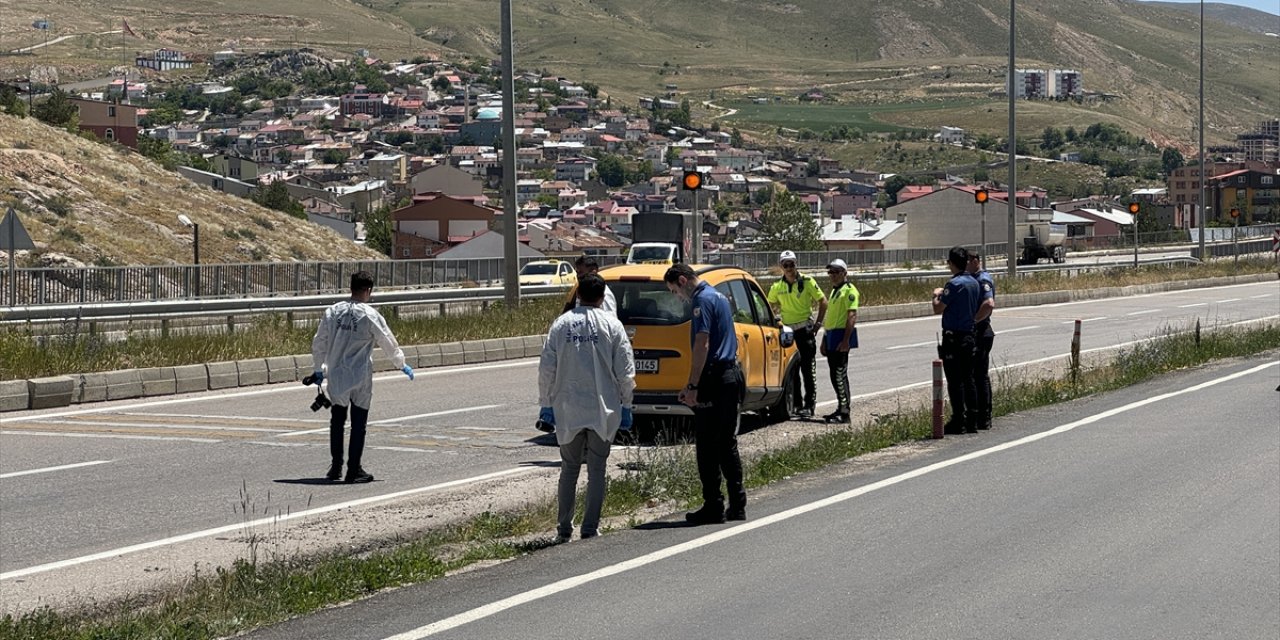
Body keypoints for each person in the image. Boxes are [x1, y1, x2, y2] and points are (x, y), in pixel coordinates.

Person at [538, 274, 636, 541]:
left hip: (568, 408)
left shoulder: (561, 325)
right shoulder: (612, 326)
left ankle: (563, 529)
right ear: (603, 297)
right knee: (597, 470)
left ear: (578, 294)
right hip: (603, 409)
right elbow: (625, 372)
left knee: (569, 468)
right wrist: (627, 405)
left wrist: (546, 403)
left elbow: (547, 367)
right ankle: (590, 527)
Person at [311, 271, 415, 483]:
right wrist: (401, 364)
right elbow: (387, 342)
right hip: (359, 375)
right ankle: (354, 469)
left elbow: (319, 341)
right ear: (368, 290)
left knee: (337, 420)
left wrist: (318, 368)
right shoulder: (369, 315)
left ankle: (336, 467)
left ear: (351, 287)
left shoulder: (333, 312)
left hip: (337, 375)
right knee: (358, 423)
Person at [665, 263, 747, 524]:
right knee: (727, 442)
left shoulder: (701, 300)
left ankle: (713, 505)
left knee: (706, 446)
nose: (679, 298)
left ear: (682, 280)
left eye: (676, 292)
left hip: (713, 377)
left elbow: (703, 343)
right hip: (731, 374)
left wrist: (692, 385)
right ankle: (737, 503)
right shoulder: (720, 296)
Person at [767, 250, 828, 419]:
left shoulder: (807, 281)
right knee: (792, 371)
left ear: (796, 264)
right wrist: (775, 322)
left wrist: (818, 324)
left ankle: (809, 405)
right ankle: (797, 404)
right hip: (788, 333)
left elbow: (823, 301)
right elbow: (769, 305)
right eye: (785, 265)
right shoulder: (777, 287)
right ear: (781, 267)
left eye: (791, 264)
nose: (789, 268)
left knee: (808, 370)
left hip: (805, 330)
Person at [932, 247, 980, 435]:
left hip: (954, 337)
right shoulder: (974, 283)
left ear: (951, 263)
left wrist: (936, 295)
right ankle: (973, 419)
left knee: (955, 380)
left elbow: (938, 309)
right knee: (969, 379)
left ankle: (958, 419)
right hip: (969, 334)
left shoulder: (953, 285)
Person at [819, 258, 859, 424]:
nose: (833, 275)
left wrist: (845, 341)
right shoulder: (835, 290)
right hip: (831, 336)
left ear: (844, 273)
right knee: (834, 376)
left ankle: (845, 412)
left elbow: (852, 316)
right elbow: (830, 318)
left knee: (840, 375)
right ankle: (840, 407)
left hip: (841, 337)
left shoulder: (849, 291)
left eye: (836, 272)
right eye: (831, 272)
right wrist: (824, 338)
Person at [967, 251, 997, 430]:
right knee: (974, 375)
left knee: (979, 376)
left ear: (976, 261)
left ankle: (984, 416)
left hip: (981, 331)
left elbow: (988, 304)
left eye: (968, 262)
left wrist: (972, 321)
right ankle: (977, 414)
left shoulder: (982, 279)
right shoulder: (973, 278)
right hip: (978, 331)